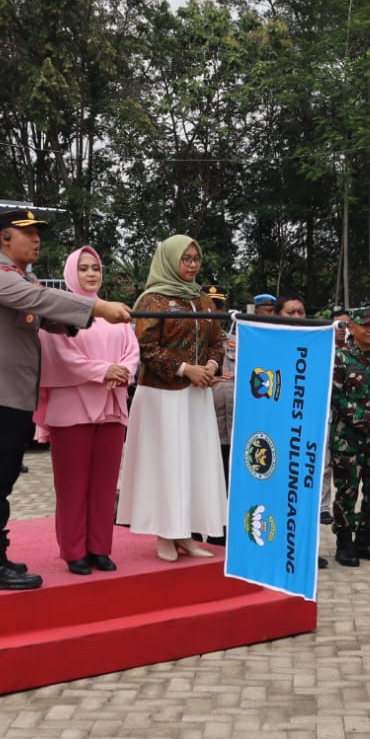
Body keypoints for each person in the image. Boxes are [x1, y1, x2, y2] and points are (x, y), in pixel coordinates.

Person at [0, 211, 128, 591]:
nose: (36, 240)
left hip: (12, 398)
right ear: (5, 239)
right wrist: (98, 308)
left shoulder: (24, 280)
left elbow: (45, 316)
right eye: (28, 233)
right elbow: (40, 299)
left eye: (38, 234)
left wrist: (76, 320)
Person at [119, 235, 228, 562]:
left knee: (192, 463)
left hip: (196, 397)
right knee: (165, 463)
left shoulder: (203, 301)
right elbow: (146, 348)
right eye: (186, 259)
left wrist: (209, 365)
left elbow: (217, 340)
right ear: (169, 260)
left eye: (196, 259)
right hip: (162, 397)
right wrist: (184, 369)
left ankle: (183, 532)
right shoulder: (152, 300)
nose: (193, 265)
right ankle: (164, 533)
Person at [36, 246, 140, 575]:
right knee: (72, 484)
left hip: (111, 406)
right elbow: (60, 357)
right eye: (83, 268)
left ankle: (100, 547)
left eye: (95, 267)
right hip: (72, 409)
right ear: (70, 273)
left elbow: (132, 351)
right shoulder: (58, 313)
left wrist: (122, 369)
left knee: (105, 483)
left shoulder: (116, 316)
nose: (91, 274)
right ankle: (73, 550)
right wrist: (103, 371)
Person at [329, 307, 370, 567]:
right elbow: (336, 398)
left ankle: (366, 540)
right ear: (352, 328)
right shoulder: (341, 359)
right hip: (348, 440)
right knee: (347, 491)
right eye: (365, 325)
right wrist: (368, 419)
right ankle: (344, 544)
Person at [208, 286, 237, 469]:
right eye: (210, 307)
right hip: (207, 425)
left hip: (234, 427)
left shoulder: (236, 340)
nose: (215, 312)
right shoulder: (192, 344)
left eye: (219, 307)